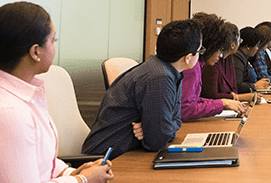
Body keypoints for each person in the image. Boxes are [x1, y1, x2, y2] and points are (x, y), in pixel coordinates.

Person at [0, 1, 113, 183]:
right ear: (35, 52)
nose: (54, 47)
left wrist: (69, 172)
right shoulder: (6, 114)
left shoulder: (19, 96)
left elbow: (34, 157)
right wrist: (83, 180)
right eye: (52, 41)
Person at [82, 18, 203, 159]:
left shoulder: (168, 71)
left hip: (127, 151)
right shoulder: (160, 77)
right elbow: (157, 141)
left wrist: (153, 128)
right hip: (107, 159)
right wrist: (156, 129)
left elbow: (176, 121)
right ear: (188, 57)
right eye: (200, 50)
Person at [181, 13, 246, 121]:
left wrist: (223, 103)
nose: (220, 55)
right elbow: (185, 109)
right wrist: (222, 103)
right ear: (210, 47)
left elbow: (193, 100)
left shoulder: (197, 64)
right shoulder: (192, 67)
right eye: (219, 50)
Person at [232, 27, 270, 93]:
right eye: (257, 45)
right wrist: (254, 86)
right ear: (248, 46)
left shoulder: (244, 57)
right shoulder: (237, 58)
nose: (257, 49)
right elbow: (237, 85)